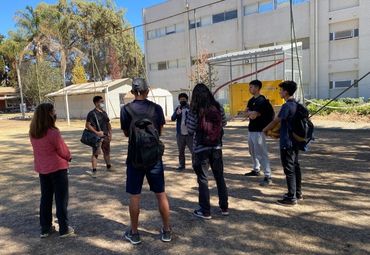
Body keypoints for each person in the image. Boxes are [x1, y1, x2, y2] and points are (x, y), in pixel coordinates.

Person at [120, 78, 172, 244]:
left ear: (133, 92)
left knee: (135, 196)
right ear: (147, 91)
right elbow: (160, 131)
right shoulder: (156, 108)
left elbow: (126, 133)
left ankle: (134, 233)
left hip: (134, 158)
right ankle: (166, 230)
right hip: (154, 158)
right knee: (160, 194)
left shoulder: (126, 109)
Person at [29, 103, 74, 238]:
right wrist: (69, 157)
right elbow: (63, 150)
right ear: (49, 114)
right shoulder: (53, 133)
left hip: (43, 170)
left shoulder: (33, 133)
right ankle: (64, 229)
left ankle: (45, 228)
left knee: (46, 199)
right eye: (53, 111)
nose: (55, 113)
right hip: (58, 169)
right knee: (61, 200)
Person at [186, 83, 229, 219]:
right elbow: (224, 122)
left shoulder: (195, 110)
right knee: (219, 177)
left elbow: (190, 128)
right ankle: (224, 207)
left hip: (200, 149)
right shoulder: (217, 106)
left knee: (203, 179)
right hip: (216, 147)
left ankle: (205, 211)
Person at [263, 81, 303, 206]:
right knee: (295, 166)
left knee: (289, 169)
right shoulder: (297, 104)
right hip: (295, 141)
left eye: (281, 90)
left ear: (286, 92)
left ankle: (291, 198)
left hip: (287, 142)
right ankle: (297, 193)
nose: (279, 92)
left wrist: (265, 130)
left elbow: (276, 121)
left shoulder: (287, 106)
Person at [244, 80, 273, 186]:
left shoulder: (262, 100)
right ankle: (256, 169)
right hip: (251, 129)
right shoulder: (251, 100)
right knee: (252, 151)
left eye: (251, 87)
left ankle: (268, 175)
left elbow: (253, 115)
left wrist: (250, 113)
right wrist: (250, 113)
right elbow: (245, 113)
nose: (249, 89)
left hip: (259, 130)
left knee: (261, 153)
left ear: (257, 88)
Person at [85, 96, 112, 178]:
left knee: (107, 152)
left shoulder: (104, 112)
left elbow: (108, 123)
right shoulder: (91, 113)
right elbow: (87, 125)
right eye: (101, 101)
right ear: (96, 103)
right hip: (96, 137)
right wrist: (96, 132)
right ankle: (94, 170)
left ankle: (109, 166)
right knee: (95, 153)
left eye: (103, 101)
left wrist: (110, 133)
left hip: (106, 136)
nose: (102, 103)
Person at [171, 93, 193, 171]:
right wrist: (177, 113)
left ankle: (196, 165)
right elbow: (172, 118)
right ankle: (181, 165)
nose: (182, 100)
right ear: (179, 100)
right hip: (180, 134)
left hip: (189, 134)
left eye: (184, 99)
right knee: (181, 151)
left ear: (187, 100)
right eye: (181, 99)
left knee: (193, 151)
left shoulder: (190, 108)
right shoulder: (178, 108)